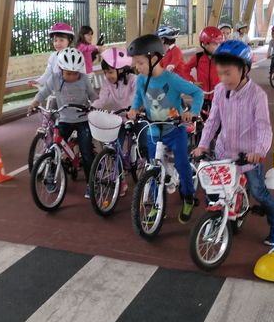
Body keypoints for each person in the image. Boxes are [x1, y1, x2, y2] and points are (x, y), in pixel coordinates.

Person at [192, 40, 274, 247]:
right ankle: (215, 220)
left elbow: (264, 128)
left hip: (248, 155)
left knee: (258, 191)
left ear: (244, 69)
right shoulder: (219, 90)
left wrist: (258, 151)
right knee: (214, 190)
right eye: (220, 73)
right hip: (224, 151)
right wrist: (203, 144)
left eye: (228, 73)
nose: (223, 79)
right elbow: (213, 120)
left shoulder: (257, 96)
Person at [127, 34, 203, 223]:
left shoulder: (172, 79)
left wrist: (192, 112)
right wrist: (134, 108)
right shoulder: (141, 79)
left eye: (140, 63)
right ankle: (155, 204)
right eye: (136, 63)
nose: (137, 67)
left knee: (182, 164)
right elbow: (138, 96)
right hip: (154, 131)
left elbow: (197, 92)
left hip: (174, 130)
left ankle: (188, 197)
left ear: (154, 59)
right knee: (153, 167)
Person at [28, 47, 96, 198]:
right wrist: (35, 102)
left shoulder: (84, 79)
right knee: (53, 147)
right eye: (68, 73)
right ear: (60, 69)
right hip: (64, 119)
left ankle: (91, 184)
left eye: (75, 73)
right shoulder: (55, 79)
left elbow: (92, 95)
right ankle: (51, 175)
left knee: (86, 152)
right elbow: (43, 92)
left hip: (82, 119)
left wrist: (97, 105)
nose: (71, 77)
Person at [92, 47, 139, 196]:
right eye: (105, 72)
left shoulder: (133, 80)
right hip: (117, 118)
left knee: (144, 141)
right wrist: (92, 107)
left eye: (110, 72)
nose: (107, 76)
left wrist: (132, 109)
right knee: (113, 147)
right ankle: (121, 180)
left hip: (132, 117)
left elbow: (137, 96)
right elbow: (103, 99)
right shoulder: (107, 84)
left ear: (122, 70)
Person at [183, 25, 224, 108]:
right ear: (204, 44)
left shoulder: (223, 58)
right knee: (201, 118)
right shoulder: (198, 57)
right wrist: (192, 82)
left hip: (218, 96)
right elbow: (184, 69)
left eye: (220, 44)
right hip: (202, 95)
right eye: (215, 44)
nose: (218, 47)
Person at [31, 22, 75, 86]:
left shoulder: (73, 56)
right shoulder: (53, 56)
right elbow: (48, 73)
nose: (57, 43)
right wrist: (38, 81)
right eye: (55, 40)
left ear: (69, 40)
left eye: (61, 40)